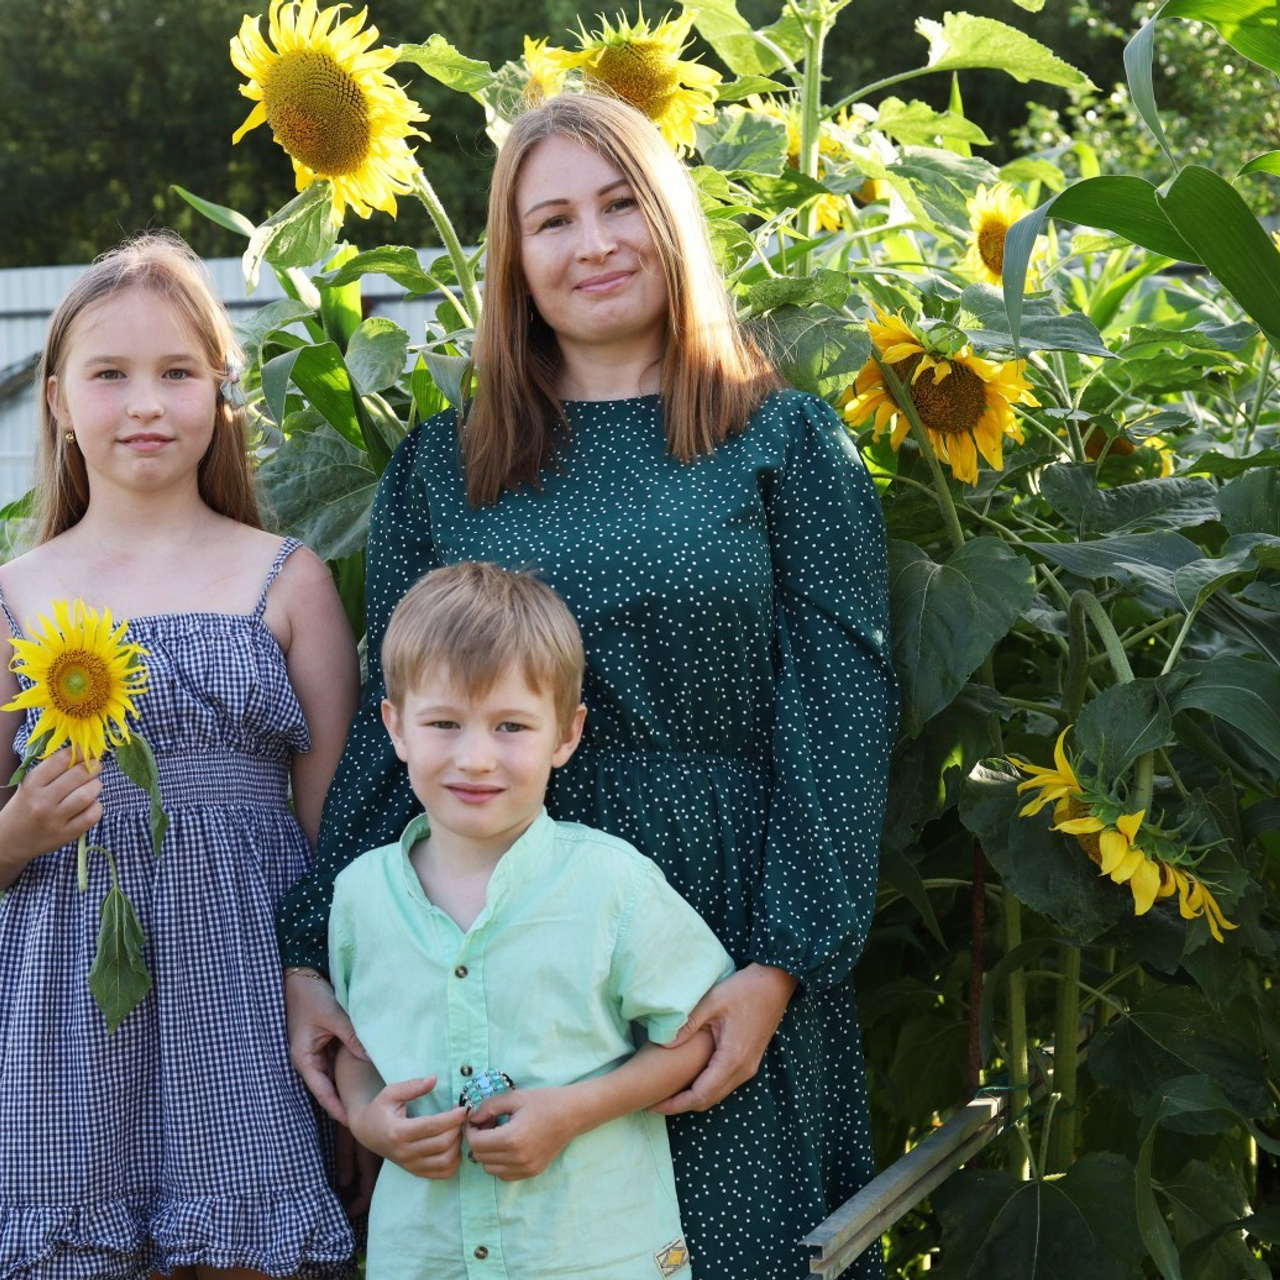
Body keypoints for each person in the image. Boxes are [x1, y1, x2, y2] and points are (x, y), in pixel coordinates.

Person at [280, 92, 898, 1279]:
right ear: (513, 258)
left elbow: (839, 712)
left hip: (718, 922)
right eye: (552, 219)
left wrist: (781, 961)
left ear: (670, 220)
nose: (595, 243)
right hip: (495, 922)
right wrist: (310, 954)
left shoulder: (784, 443)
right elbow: (387, 727)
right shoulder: (445, 465)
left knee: (729, 1247)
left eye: (621, 205)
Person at [0, 231, 360, 1279]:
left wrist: (340, 1000)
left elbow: (339, 836)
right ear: (60, 400)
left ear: (220, 392)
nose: (145, 404)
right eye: (109, 375)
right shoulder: (16, 595)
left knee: (243, 1253)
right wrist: (18, 831)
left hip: (248, 987)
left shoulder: (287, 579)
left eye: (177, 373)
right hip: (66, 996)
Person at [329, 561, 735, 1278]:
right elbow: (359, 1044)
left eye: (511, 726)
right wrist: (368, 1120)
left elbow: (696, 1033)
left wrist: (574, 1111)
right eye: (444, 723)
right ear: (396, 727)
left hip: (590, 1253)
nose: (475, 758)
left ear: (565, 735)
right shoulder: (362, 895)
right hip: (427, 1255)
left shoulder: (613, 885)